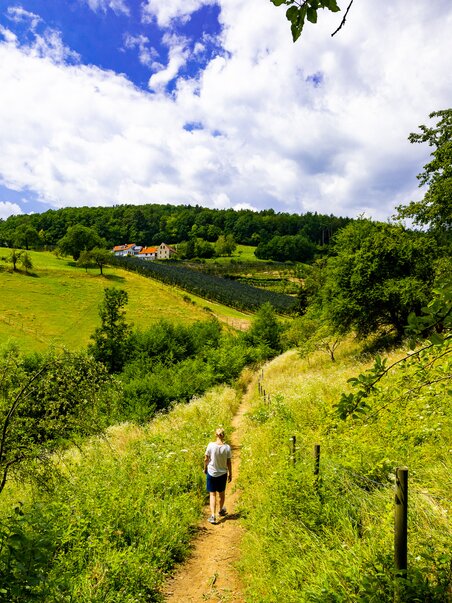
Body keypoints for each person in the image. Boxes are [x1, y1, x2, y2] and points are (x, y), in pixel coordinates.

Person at [204, 427, 232, 524]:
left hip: (211, 473)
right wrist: (230, 473)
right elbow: (229, 462)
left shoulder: (211, 445)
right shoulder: (227, 447)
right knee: (221, 493)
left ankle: (213, 516)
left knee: (212, 494)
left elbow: (206, 459)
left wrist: (205, 468)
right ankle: (220, 510)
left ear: (215, 435)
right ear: (224, 435)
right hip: (222, 474)